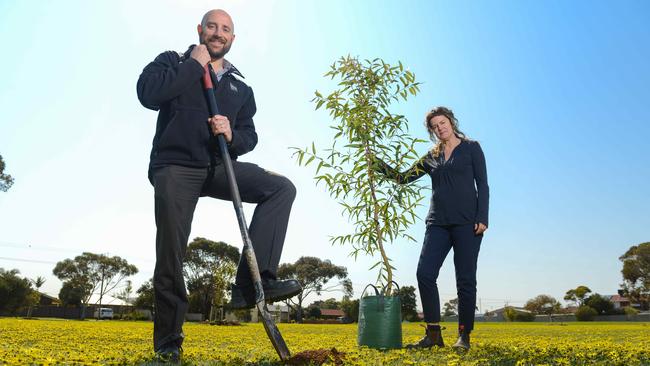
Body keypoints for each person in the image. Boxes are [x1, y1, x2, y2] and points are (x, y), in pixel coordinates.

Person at [136, 9, 301, 361]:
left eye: (225, 29)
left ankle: (251, 283)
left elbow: (249, 136)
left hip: (217, 165)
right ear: (200, 30)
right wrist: (193, 67)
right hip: (176, 166)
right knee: (171, 255)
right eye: (212, 26)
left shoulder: (241, 86)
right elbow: (148, 94)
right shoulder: (173, 60)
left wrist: (231, 133)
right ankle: (168, 343)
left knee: (281, 188)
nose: (218, 33)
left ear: (232, 38)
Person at [375, 106, 489, 350]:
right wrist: (375, 163)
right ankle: (433, 334)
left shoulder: (472, 148)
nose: (440, 128)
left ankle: (463, 336)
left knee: (465, 279)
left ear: (451, 121)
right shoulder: (431, 156)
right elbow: (402, 178)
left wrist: (483, 217)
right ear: (432, 131)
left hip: (467, 223)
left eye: (443, 122)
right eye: (435, 126)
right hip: (437, 223)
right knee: (425, 274)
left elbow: (483, 185)